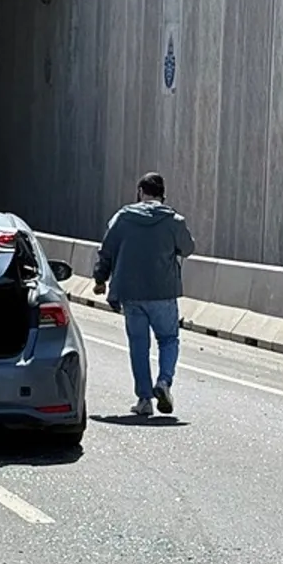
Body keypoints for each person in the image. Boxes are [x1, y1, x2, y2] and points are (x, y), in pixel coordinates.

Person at [92, 172, 196, 417]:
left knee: (139, 345)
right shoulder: (174, 220)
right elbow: (188, 248)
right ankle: (164, 382)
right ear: (163, 194)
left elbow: (107, 250)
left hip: (131, 293)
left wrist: (100, 278)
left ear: (140, 191)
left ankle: (144, 400)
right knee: (168, 339)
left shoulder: (123, 218)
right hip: (163, 292)